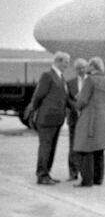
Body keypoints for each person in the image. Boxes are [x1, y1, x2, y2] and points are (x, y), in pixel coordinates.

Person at [29, 51, 71, 185]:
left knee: (51, 148)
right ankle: (41, 175)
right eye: (66, 63)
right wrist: (32, 110)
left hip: (57, 119)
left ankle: (47, 173)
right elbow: (38, 95)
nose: (67, 66)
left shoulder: (61, 77)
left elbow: (66, 97)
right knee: (45, 147)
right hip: (46, 119)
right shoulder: (47, 76)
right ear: (58, 61)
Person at [73, 57, 105, 187]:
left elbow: (83, 100)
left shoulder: (90, 80)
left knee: (84, 148)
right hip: (102, 118)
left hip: (89, 117)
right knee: (98, 148)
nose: (86, 68)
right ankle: (98, 178)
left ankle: (87, 180)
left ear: (93, 66)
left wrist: (76, 105)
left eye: (89, 65)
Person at [65, 58, 88, 181]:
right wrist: (75, 107)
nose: (82, 70)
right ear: (75, 69)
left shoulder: (90, 82)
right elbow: (67, 98)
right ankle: (73, 173)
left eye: (83, 68)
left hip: (86, 118)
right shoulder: (70, 82)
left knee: (85, 145)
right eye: (79, 68)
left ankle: (85, 171)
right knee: (73, 146)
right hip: (74, 118)